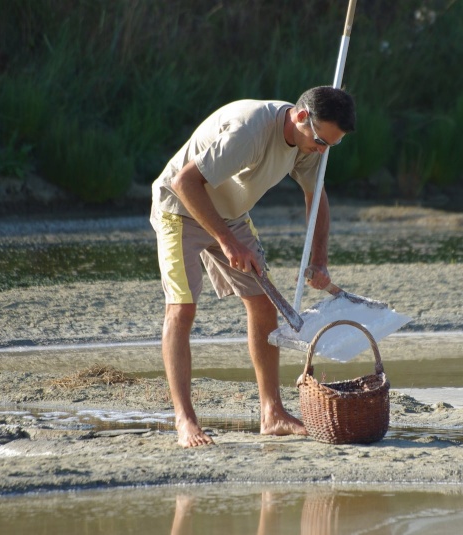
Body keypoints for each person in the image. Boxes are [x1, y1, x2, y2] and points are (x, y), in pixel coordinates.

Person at [150, 86, 356, 447]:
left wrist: (318, 259)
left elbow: (316, 196)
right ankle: (185, 421)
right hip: (179, 207)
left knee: (264, 304)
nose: (323, 150)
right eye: (321, 140)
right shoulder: (250, 130)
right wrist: (229, 244)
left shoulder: (312, 143)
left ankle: (272, 414)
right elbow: (185, 181)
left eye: (332, 146)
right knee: (181, 308)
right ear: (301, 116)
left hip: (230, 214)